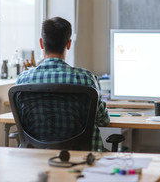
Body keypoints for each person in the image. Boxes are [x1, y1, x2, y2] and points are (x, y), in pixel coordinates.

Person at [16, 17, 110, 151]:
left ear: (41, 44)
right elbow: (103, 120)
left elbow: (21, 123)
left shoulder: (23, 80)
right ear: (69, 44)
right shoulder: (85, 79)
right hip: (81, 158)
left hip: (35, 157)